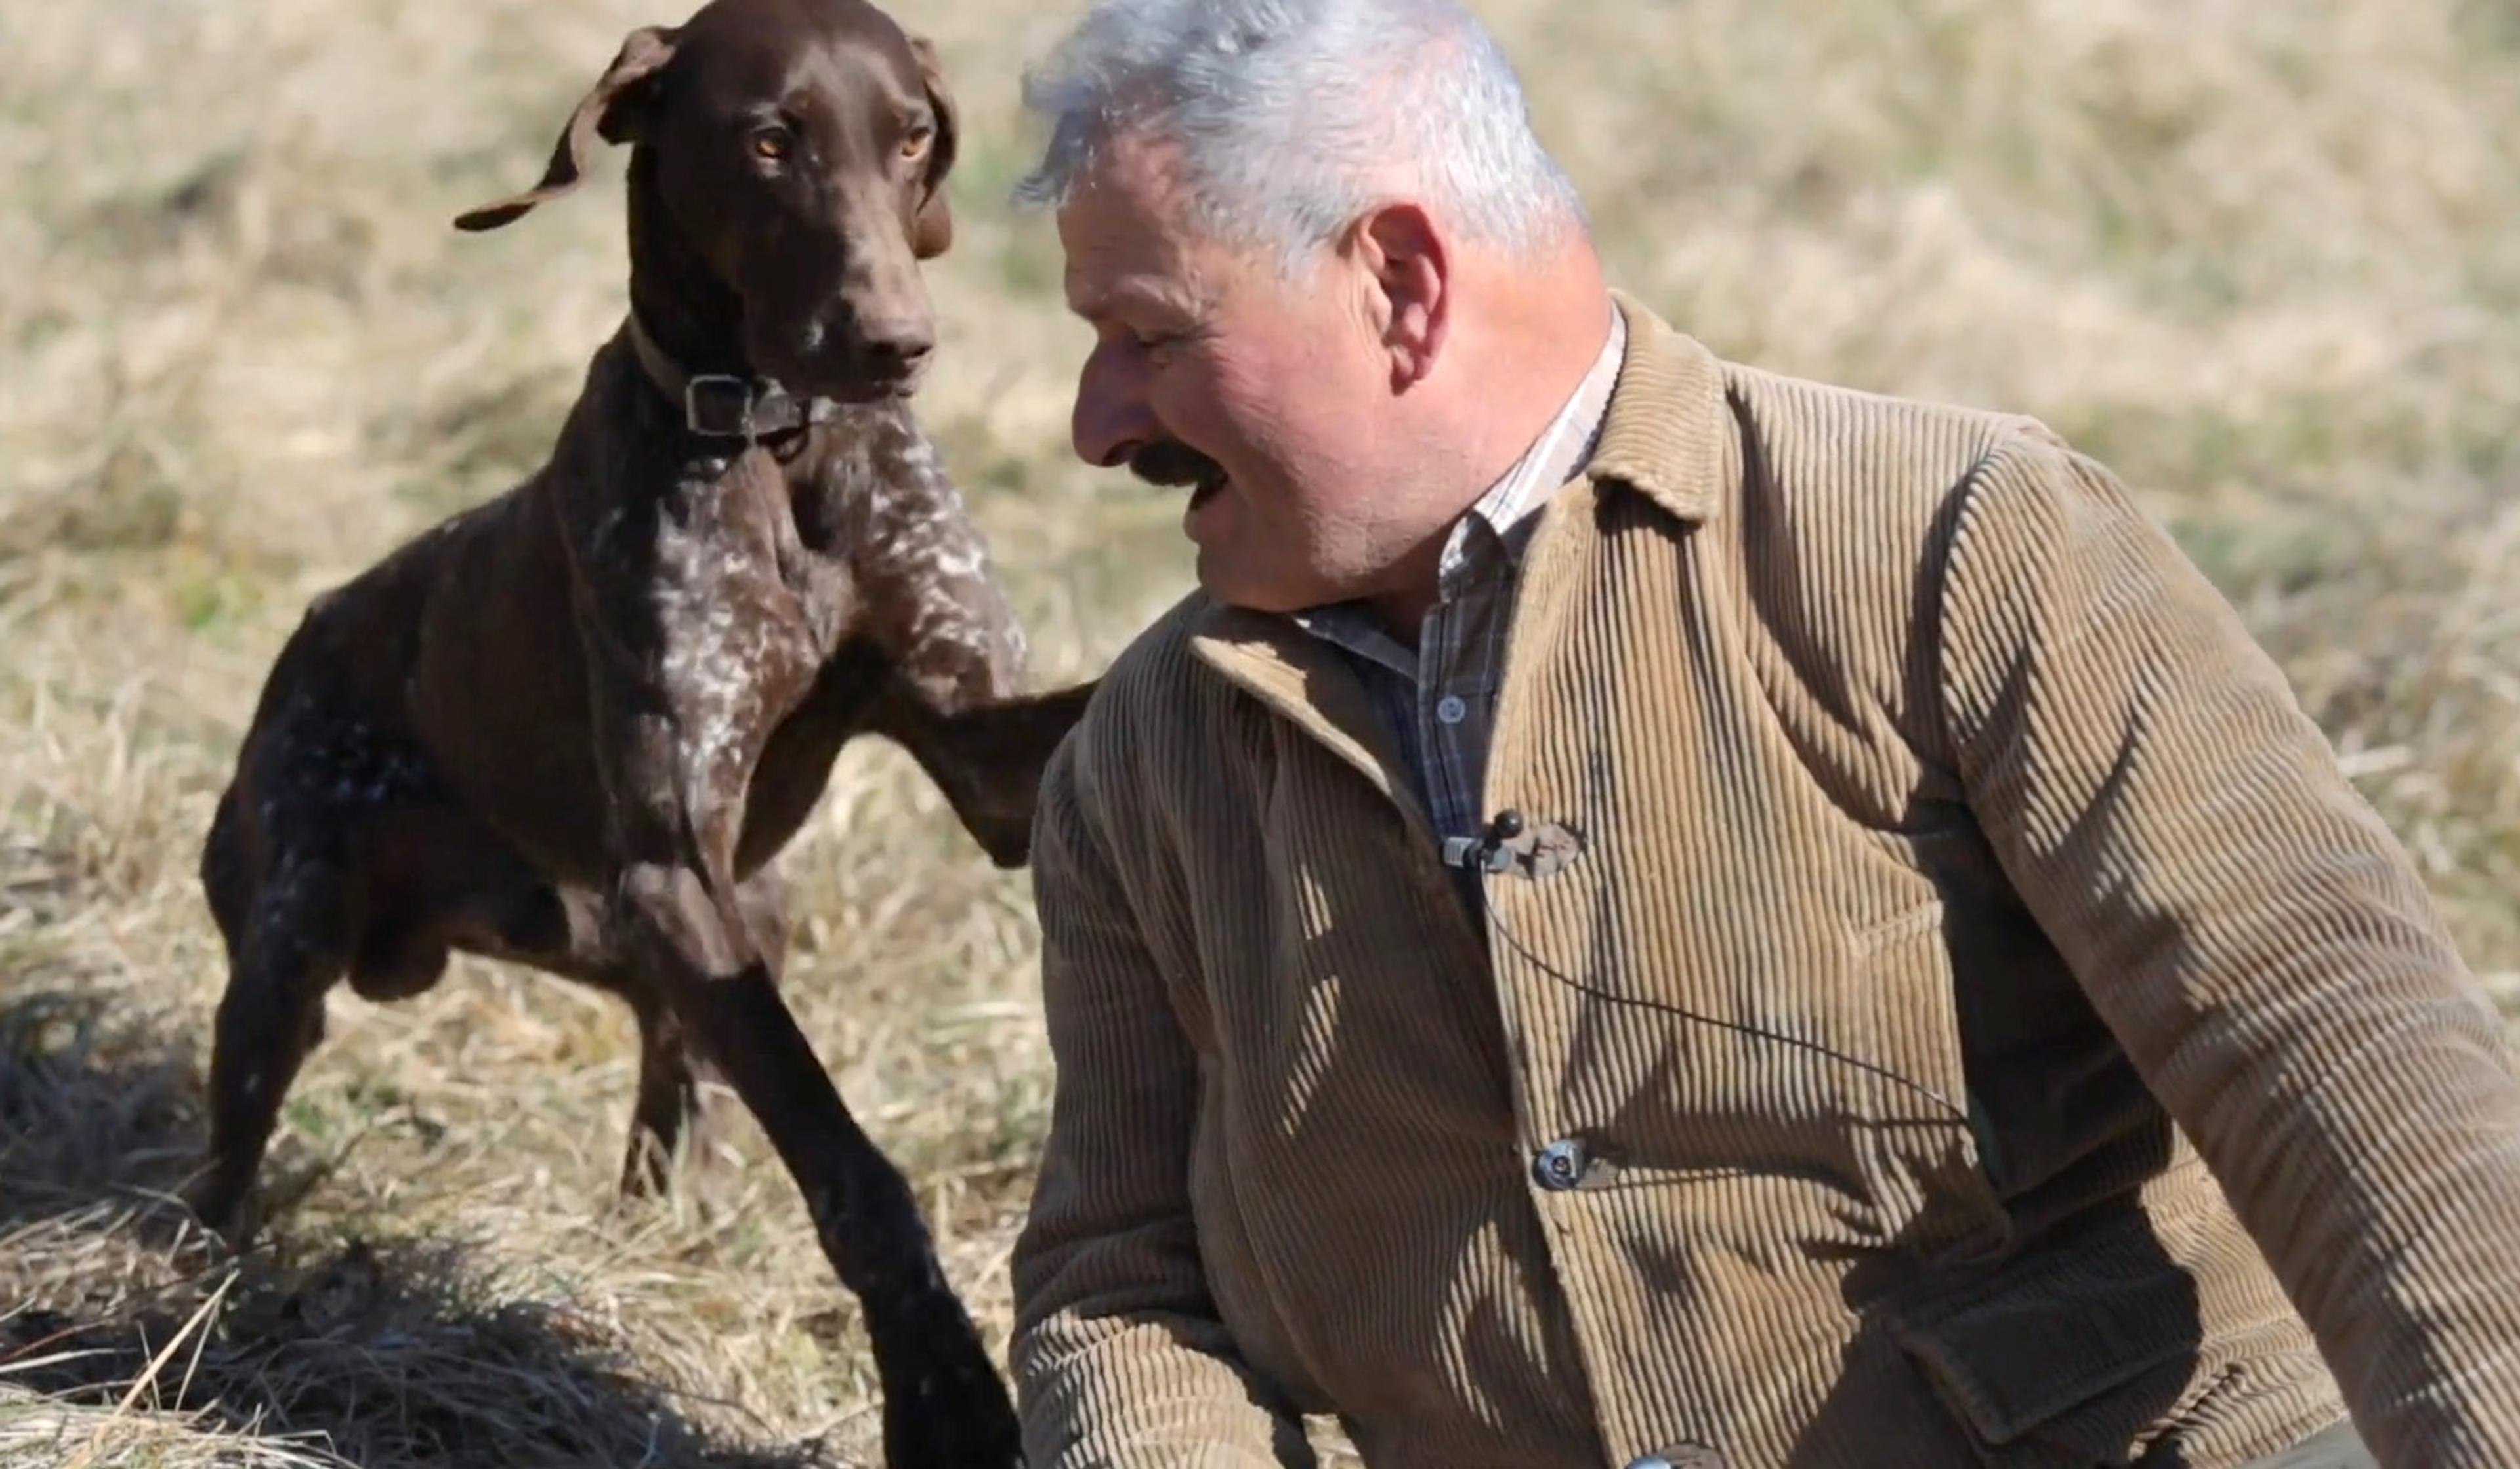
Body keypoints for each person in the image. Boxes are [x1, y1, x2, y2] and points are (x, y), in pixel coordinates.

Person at [998, 1, 2520, 1465]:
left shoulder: (1957, 542)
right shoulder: (1145, 763)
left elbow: (2334, 1048)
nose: (1096, 422)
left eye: (1149, 336)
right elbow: (1128, 1293)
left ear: (1403, 287)